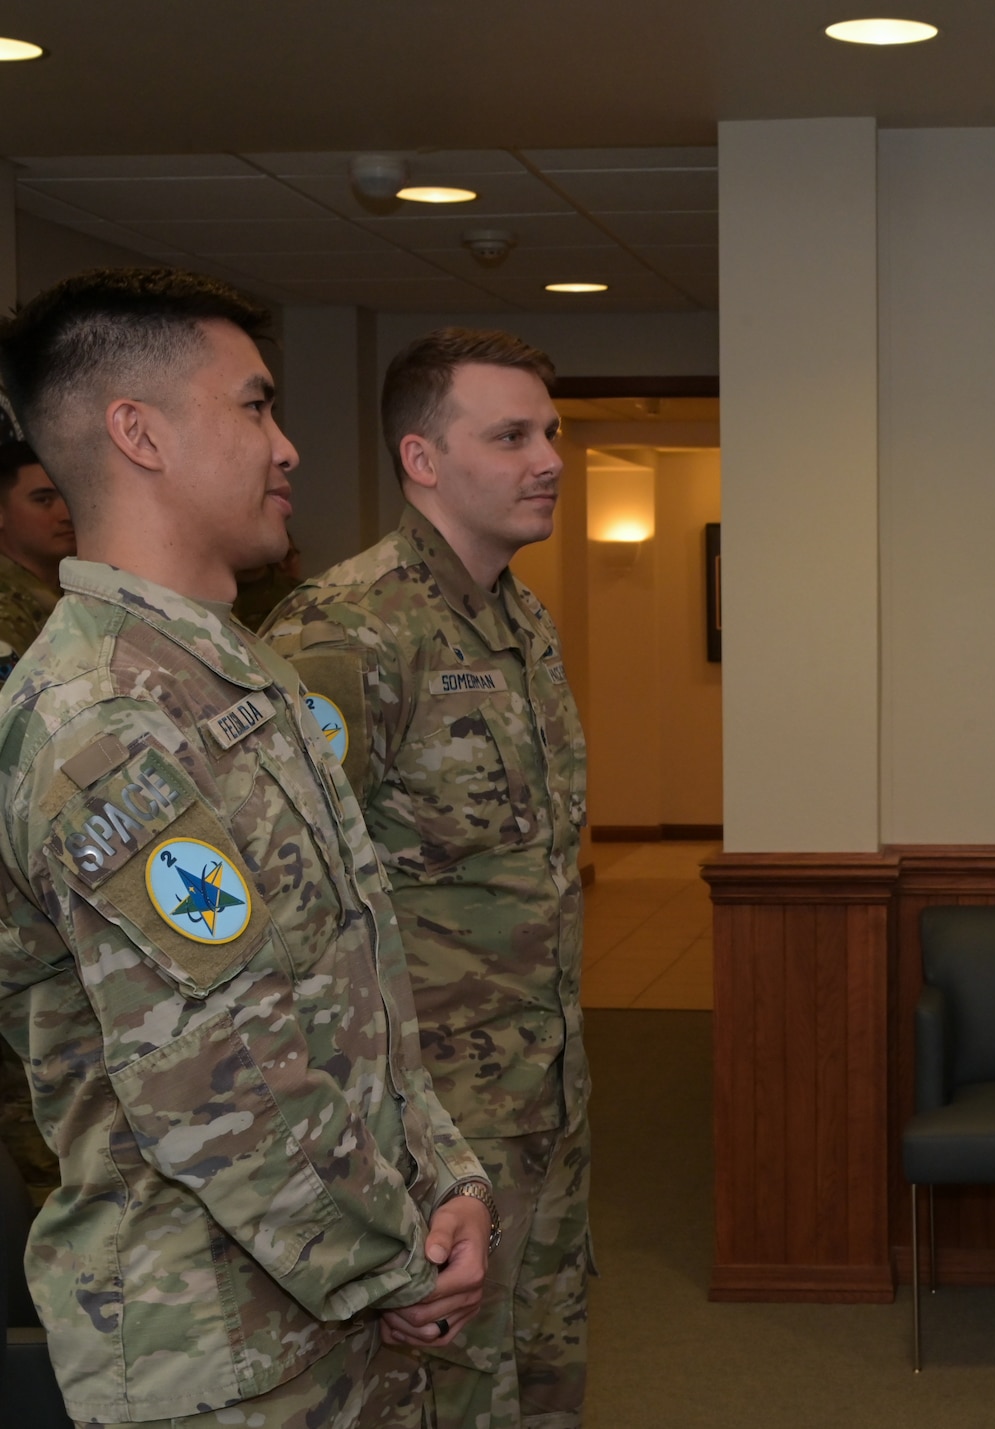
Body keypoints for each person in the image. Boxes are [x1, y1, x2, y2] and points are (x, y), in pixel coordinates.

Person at [0, 268, 497, 1429]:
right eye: (254, 406)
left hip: (330, 1294)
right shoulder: (101, 721)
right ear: (139, 433)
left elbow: (346, 986)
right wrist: (394, 1261)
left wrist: (445, 1180)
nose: (288, 446)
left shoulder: (232, 672)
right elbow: (213, 1080)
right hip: (219, 1347)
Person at [263, 327, 590, 1429]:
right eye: (510, 435)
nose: (547, 457)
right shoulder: (345, 631)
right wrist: (364, 1167)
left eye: (549, 430)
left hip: (538, 1091)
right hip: (427, 1123)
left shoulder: (521, 621)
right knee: (436, 1394)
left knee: (541, 1365)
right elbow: (297, 915)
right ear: (422, 457)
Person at [0, 438, 75, 1202]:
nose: (61, 512)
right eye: (39, 499)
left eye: (64, 496)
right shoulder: (7, 613)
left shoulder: (64, 606)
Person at [0, 439, 76, 677]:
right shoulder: (6, 608)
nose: (67, 514)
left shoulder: (74, 592)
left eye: (68, 496)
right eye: (43, 500)